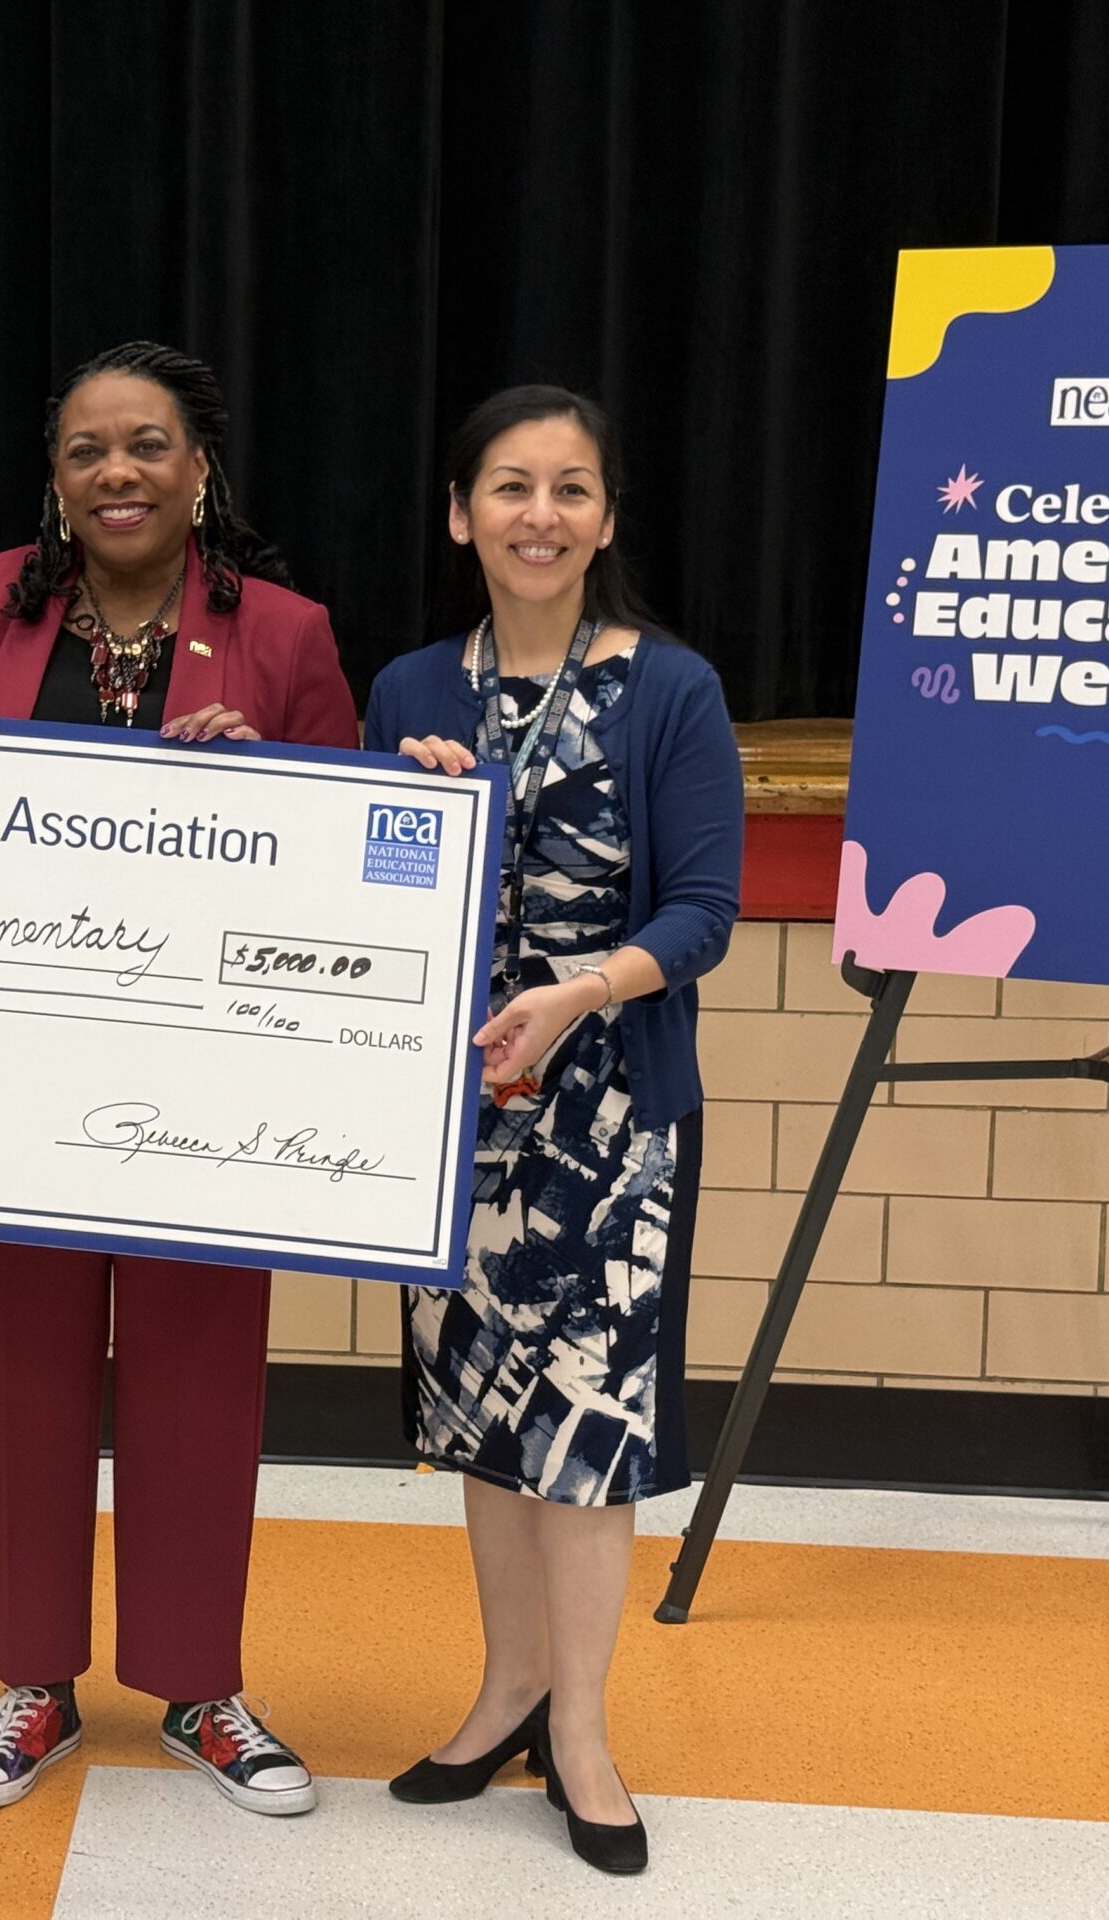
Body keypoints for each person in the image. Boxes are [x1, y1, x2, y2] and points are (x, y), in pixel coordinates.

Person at [0, 341, 354, 1819]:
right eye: (87, 449)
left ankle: (200, 1688)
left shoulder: (286, 632)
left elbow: (356, 870)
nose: (118, 472)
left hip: (212, 1090)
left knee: (199, 1383)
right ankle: (33, 1682)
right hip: (17, 1075)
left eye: (148, 445)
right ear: (55, 478)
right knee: (26, 1377)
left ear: (199, 468)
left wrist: (274, 787)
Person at [362, 385, 741, 1875]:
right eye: (510, 487)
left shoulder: (672, 690)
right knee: (479, 1422)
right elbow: (369, 894)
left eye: (570, 488)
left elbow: (703, 912)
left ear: (605, 516)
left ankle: (580, 1726)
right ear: (460, 514)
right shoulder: (410, 687)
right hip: (454, 1114)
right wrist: (401, 818)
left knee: (586, 1429)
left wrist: (582, 994)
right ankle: (507, 1687)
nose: (541, 514)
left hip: (613, 1114)